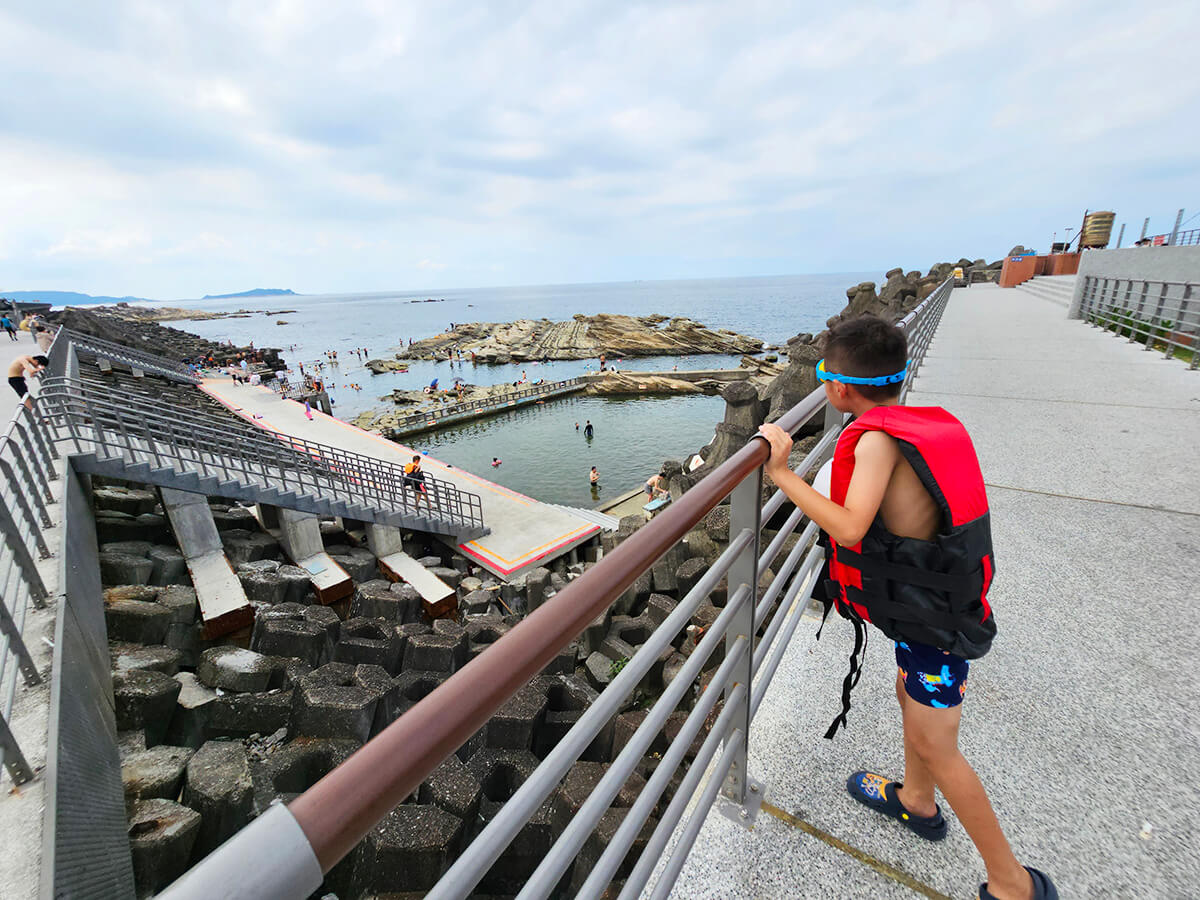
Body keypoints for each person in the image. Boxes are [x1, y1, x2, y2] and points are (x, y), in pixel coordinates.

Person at [757, 315, 1056, 900]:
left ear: (837, 387)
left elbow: (847, 527)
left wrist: (781, 471)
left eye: (822, 374)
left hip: (935, 623)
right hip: (931, 612)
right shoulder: (916, 424)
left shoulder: (875, 440)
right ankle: (916, 802)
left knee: (938, 747)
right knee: (909, 697)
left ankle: (1012, 881)